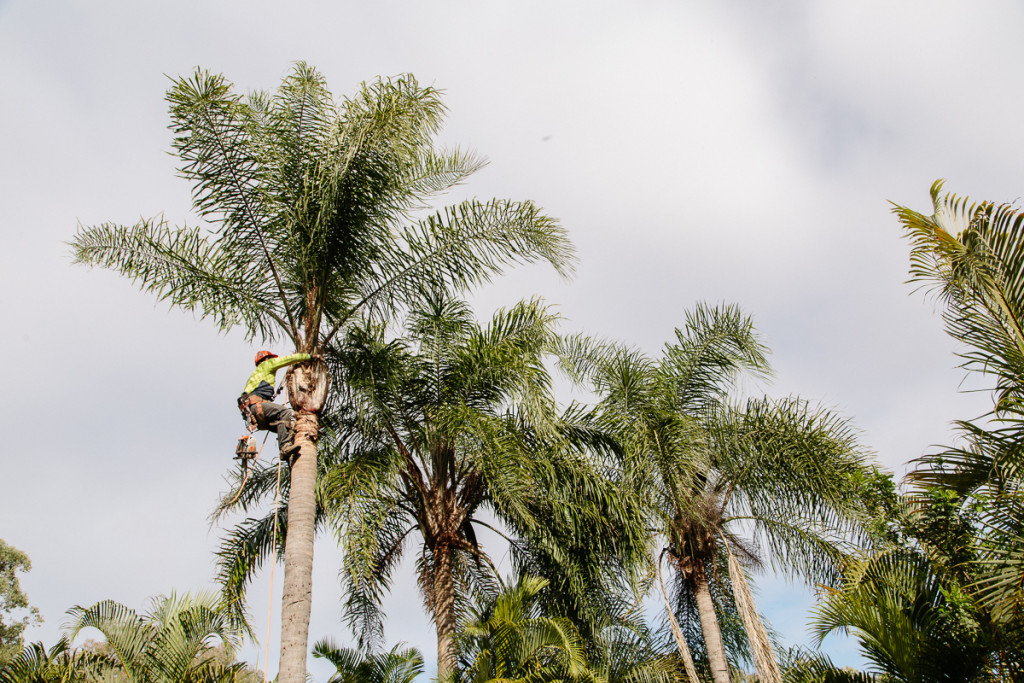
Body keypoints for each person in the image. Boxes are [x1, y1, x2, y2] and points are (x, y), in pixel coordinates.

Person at [238, 350, 310, 460]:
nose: (273, 361)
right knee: (284, 412)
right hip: (257, 407)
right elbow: (286, 360)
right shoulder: (266, 365)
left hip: (254, 413)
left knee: (285, 427)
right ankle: (285, 447)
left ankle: (288, 452)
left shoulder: (255, 376)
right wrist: (308, 356)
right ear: (266, 359)